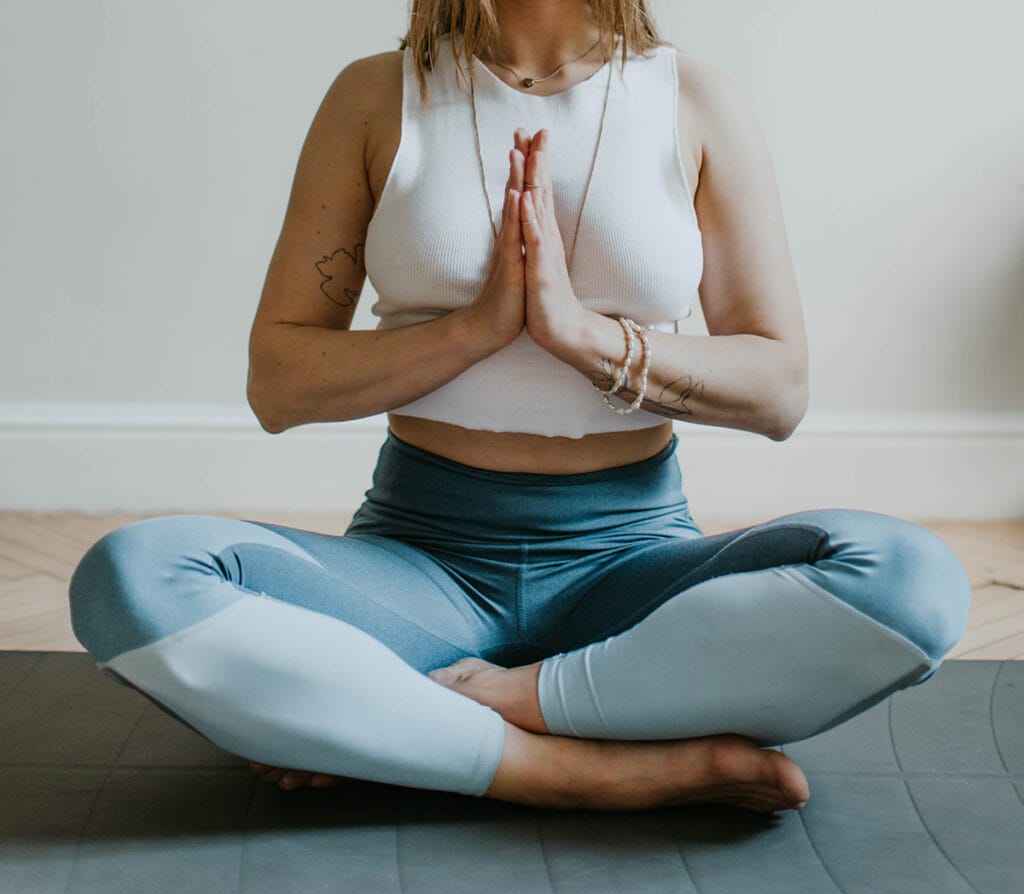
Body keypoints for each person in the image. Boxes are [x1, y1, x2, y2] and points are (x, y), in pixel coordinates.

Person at [67, 0, 971, 816]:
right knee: (134, 575)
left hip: (633, 577)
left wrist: (583, 337)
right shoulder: (376, 96)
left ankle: (423, 720)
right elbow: (279, 382)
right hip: (418, 571)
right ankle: (583, 769)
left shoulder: (695, 100)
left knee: (911, 581)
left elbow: (780, 390)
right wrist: (475, 331)